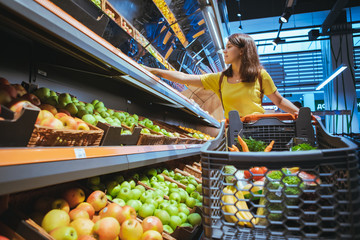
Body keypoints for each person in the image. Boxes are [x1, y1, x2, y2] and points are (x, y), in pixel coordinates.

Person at [143, 33, 299, 119]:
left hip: (257, 130)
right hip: (231, 133)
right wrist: (155, 71)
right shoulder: (219, 79)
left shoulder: (260, 76)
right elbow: (183, 78)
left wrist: (302, 114)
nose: (225, 51)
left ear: (242, 51)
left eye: (229, 47)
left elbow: (279, 100)